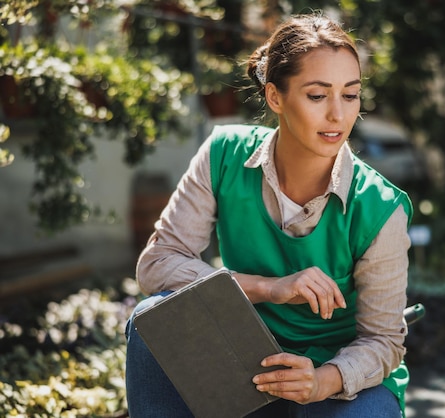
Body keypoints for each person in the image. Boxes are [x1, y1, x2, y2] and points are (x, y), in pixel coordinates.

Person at [125, 12, 413, 418]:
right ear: (275, 96)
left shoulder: (381, 208)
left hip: (334, 378)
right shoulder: (223, 155)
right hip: (245, 358)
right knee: (150, 318)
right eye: (317, 95)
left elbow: (384, 342)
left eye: (350, 95)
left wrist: (321, 381)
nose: (338, 115)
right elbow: (156, 266)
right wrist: (268, 287)